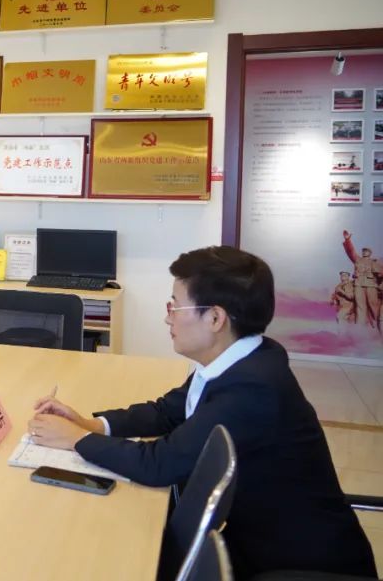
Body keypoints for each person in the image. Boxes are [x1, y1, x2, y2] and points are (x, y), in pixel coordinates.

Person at [26, 246, 376, 579]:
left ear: (215, 318)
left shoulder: (252, 388)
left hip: (297, 562)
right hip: (253, 540)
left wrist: (77, 439)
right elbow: (165, 412)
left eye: (175, 307)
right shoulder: (241, 358)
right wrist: (91, 424)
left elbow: (159, 464)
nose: (167, 318)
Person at [342, 230, 382, 332]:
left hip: (371, 285)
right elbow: (350, 251)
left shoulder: (375, 262)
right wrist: (347, 240)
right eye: (363, 251)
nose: (364, 252)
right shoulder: (357, 260)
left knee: (373, 305)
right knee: (360, 307)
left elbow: (381, 274)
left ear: (370, 253)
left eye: (366, 251)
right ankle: (361, 331)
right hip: (359, 285)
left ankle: (378, 328)